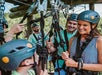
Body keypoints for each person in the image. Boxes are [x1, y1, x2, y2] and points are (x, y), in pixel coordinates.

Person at [62, 10, 102, 75]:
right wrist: (65, 56)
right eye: (79, 24)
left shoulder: (99, 41)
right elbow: (70, 59)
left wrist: (76, 64)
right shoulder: (72, 39)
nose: (80, 27)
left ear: (93, 25)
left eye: (85, 25)